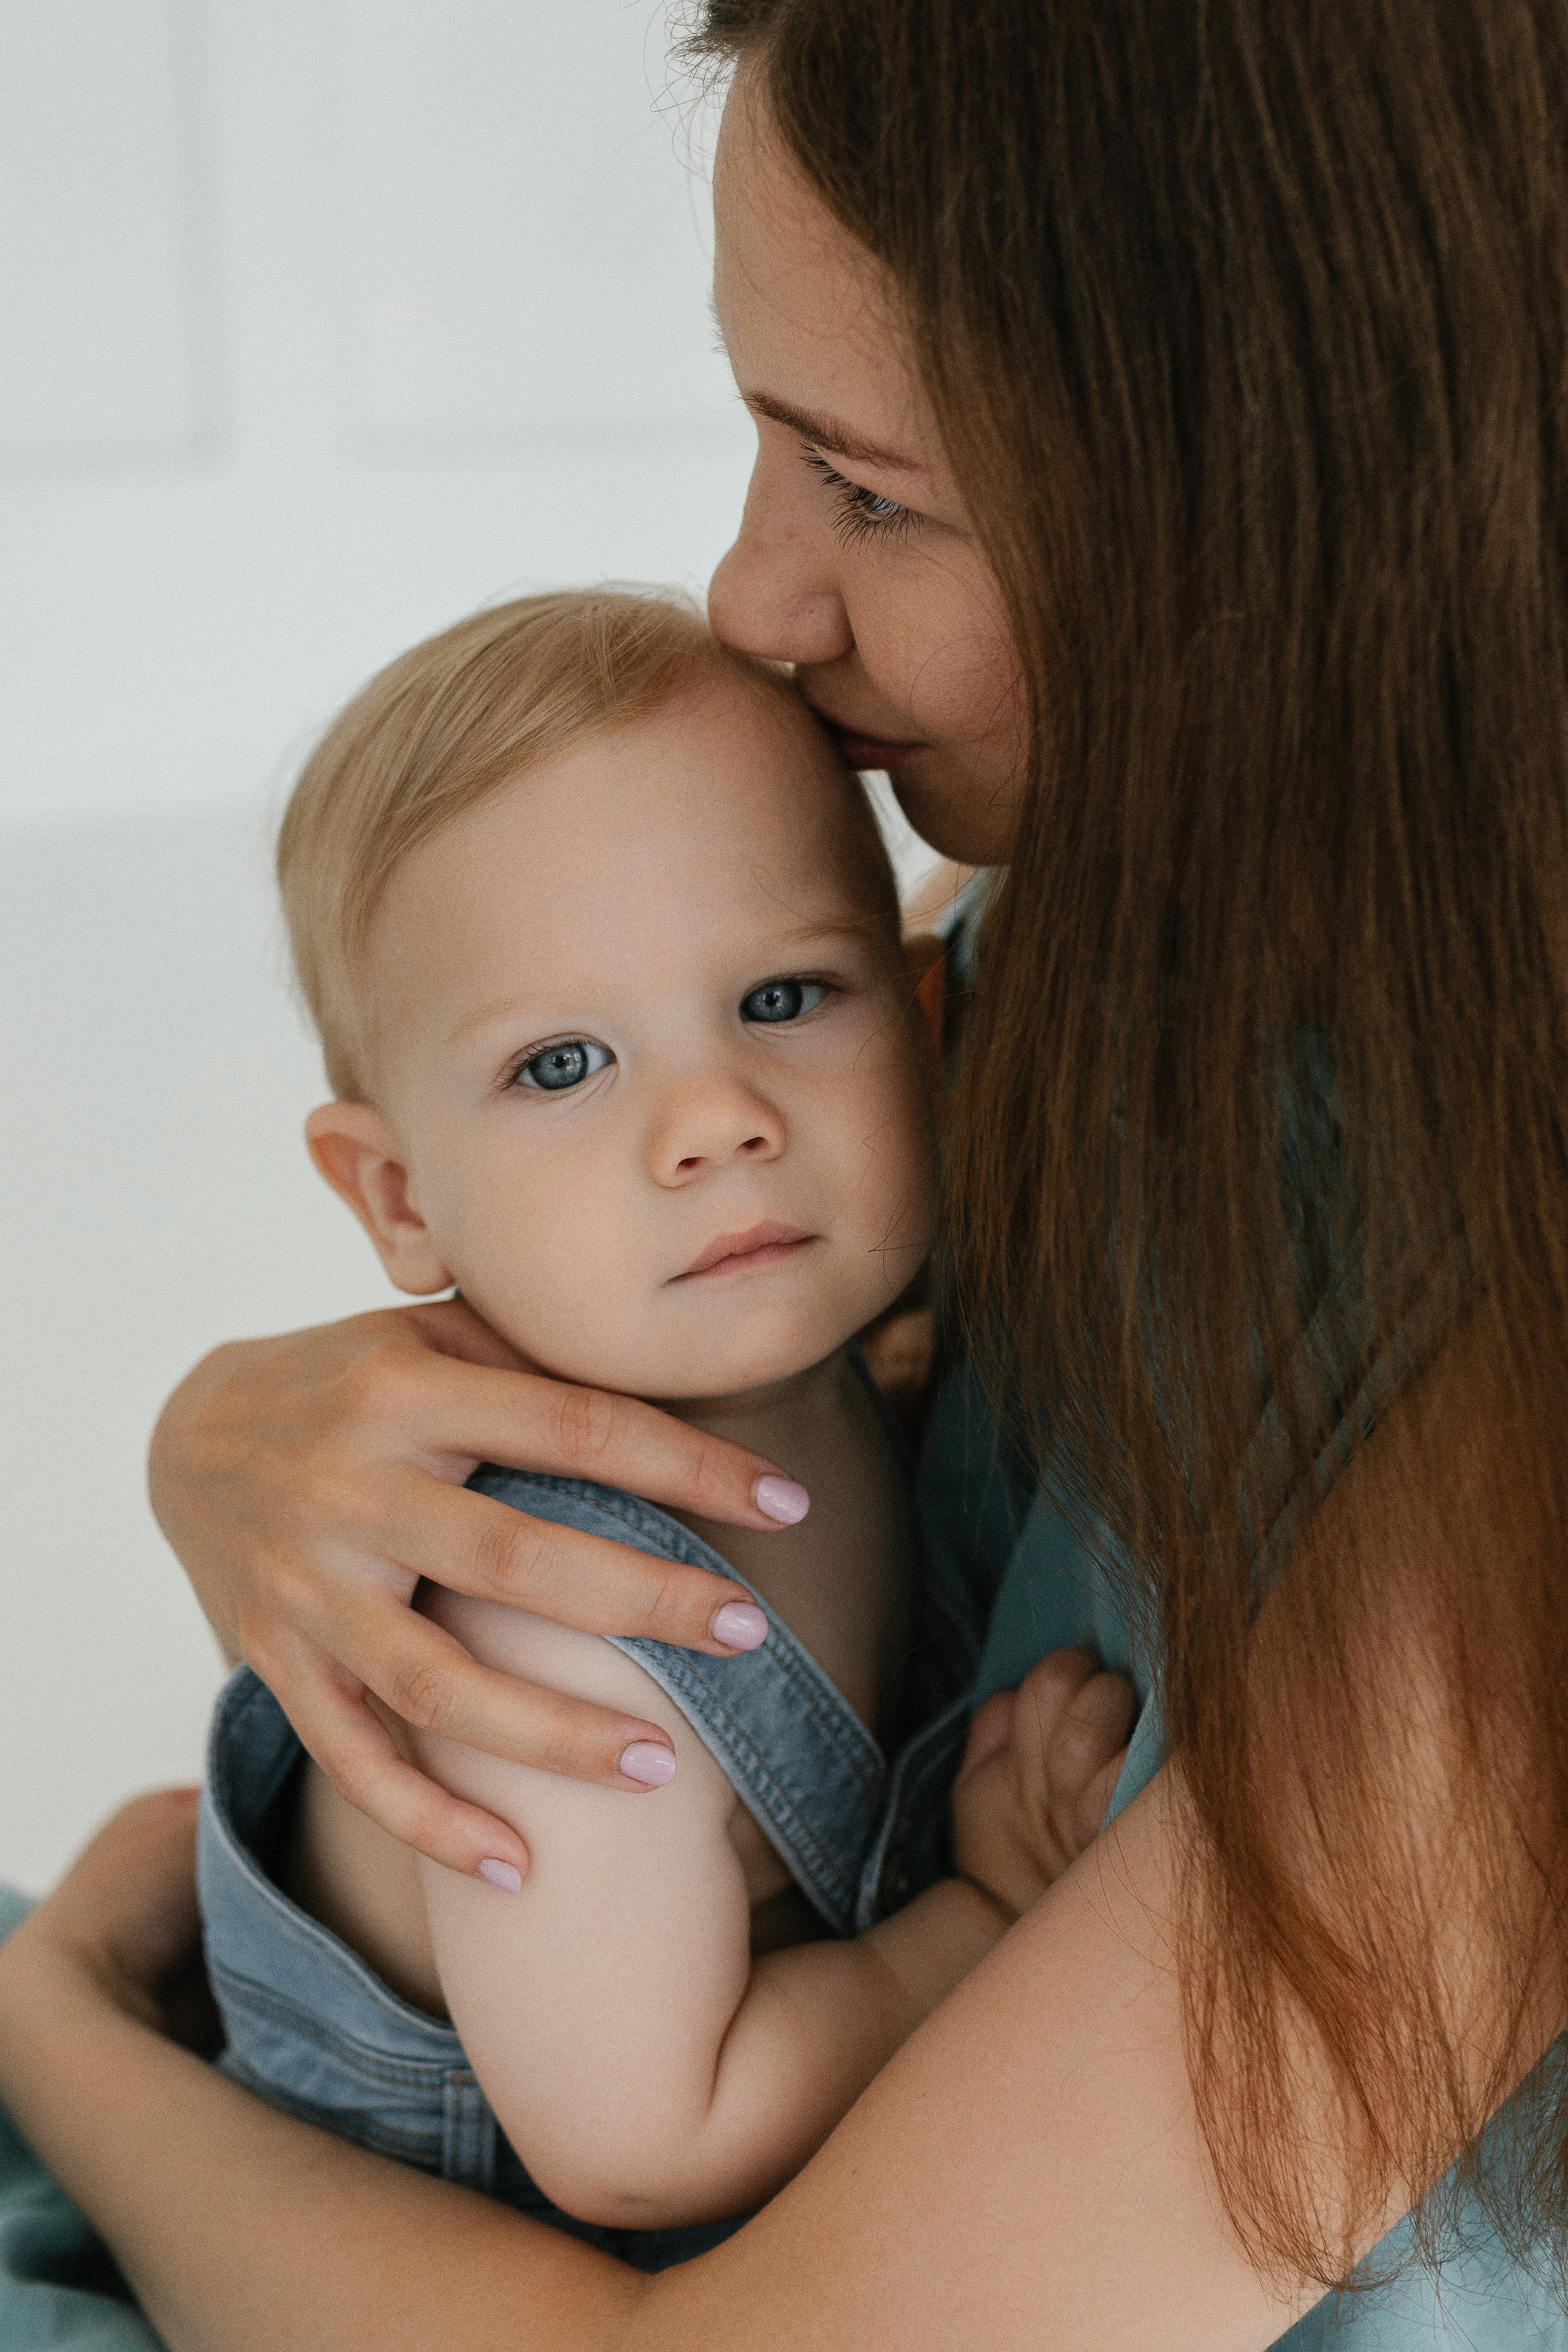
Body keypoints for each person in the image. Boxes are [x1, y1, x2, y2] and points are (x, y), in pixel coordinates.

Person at [2, 0, 1567, 2345]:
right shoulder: (1113, 939)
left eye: (869, 485)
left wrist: (62, 2036)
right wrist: (218, 1437)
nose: (754, 595)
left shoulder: (1494, 1452)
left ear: (1297, 512)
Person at [197, 582, 1109, 2257]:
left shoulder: (851, 1347)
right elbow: (641, 2143)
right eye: (561, 1066)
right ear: (399, 1199)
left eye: (782, 1001)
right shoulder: (556, 1645)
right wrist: (976, 1921)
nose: (713, 1122)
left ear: (919, 1032)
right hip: (465, 2245)